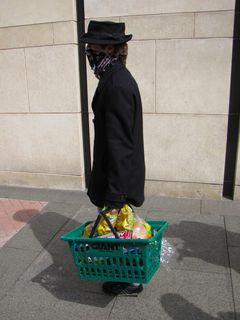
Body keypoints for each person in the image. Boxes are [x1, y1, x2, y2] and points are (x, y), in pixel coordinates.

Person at [79, 20, 145, 295]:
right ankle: (127, 275)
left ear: (108, 48)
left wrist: (114, 199)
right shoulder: (114, 77)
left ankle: (131, 280)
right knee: (121, 231)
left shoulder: (116, 84)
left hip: (116, 180)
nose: (89, 54)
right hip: (117, 176)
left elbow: (119, 145)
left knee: (118, 230)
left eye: (91, 48)